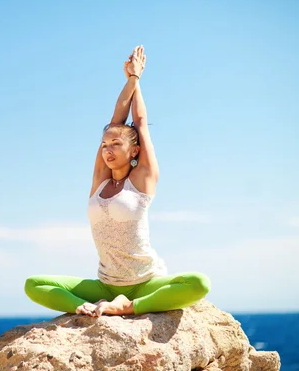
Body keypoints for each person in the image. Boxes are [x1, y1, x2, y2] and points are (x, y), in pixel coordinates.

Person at [24, 46, 210, 317]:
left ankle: (129, 307)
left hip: (146, 282)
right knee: (34, 284)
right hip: (106, 285)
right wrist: (130, 80)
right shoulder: (100, 180)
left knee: (199, 283)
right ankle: (84, 308)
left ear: (133, 151)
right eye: (104, 144)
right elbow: (115, 122)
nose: (107, 149)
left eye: (116, 144)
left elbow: (140, 122)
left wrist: (136, 79)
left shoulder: (143, 179)